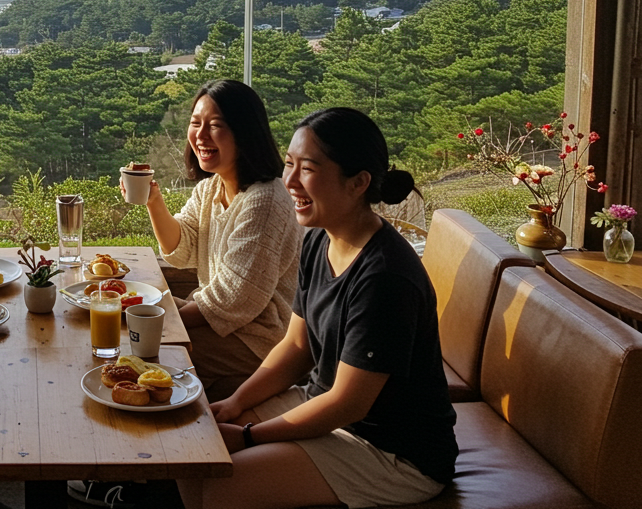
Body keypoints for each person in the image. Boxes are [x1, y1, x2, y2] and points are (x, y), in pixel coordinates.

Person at [181, 107, 456, 509]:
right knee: (196, 443)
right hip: (323, 405)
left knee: (213, 487)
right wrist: (237, 403)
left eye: (307, 168)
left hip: (391, 452)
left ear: (358, 182)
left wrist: (248, 435)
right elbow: (296, 347)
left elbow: (349, 402)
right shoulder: (318, 239)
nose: (289, 180)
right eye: (289, 164)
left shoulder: (384, 278)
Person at [139, 79, 303, 398]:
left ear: (245, 132)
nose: (200, 136)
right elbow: (181, 248)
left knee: (149, 349)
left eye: (215, 126)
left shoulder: (265, 200)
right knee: (134, 314)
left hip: (261, 339)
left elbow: (235, 298)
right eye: (195, 124)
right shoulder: (211, 188)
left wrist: (161, 321)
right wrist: (153, 201)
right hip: (229, 324)